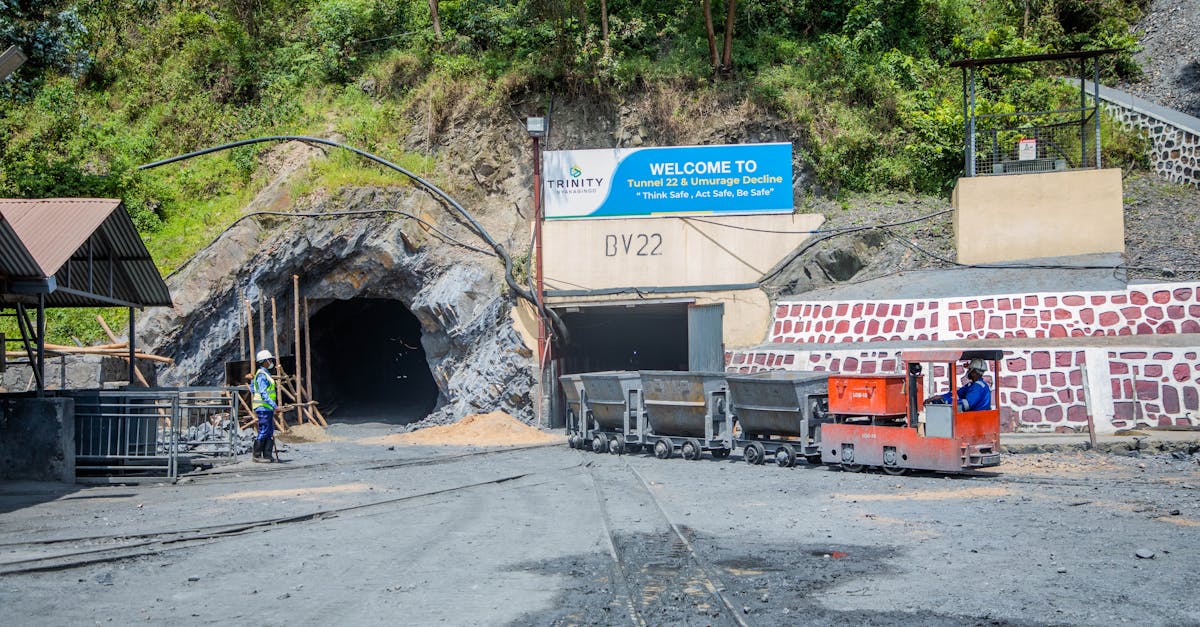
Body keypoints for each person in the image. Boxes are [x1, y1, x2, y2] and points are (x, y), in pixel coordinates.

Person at [926, 358, 991, 412]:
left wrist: (946, 401)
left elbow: (966, 405)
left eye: (969, 370)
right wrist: (941, 397)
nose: (968, 372)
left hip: (977, 418)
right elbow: (957, 393)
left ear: (974, 372)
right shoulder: (971, 385)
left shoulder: (978, 387)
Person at [251, 349, 278, 463]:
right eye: (270, 359)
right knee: (264, 430)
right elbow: (263, 392)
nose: (272, 361)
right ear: (265, 361)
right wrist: (274, 406)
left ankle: (267, 454)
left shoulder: (265, 374)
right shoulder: (262, 375)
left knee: (269, 431)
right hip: (263, 407)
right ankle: (257, 455)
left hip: (267, 407)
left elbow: (253, 387)